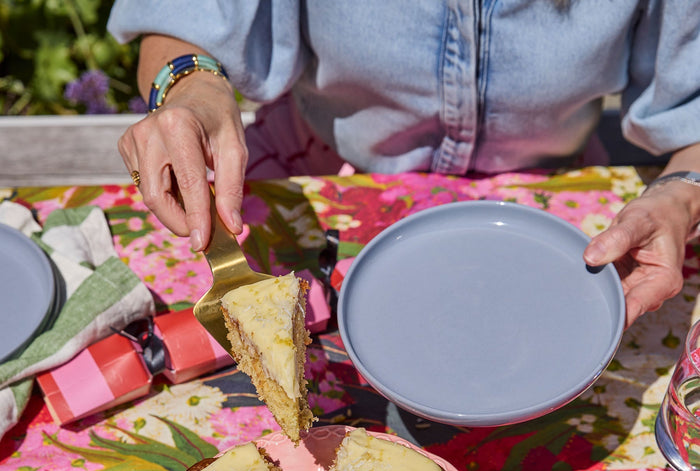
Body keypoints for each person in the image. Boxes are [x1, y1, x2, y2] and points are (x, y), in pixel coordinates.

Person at [107, 1, 700, 328]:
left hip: (545, 220)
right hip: (316, 185)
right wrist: (189, 86)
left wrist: (681, 193)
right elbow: (180, 22)